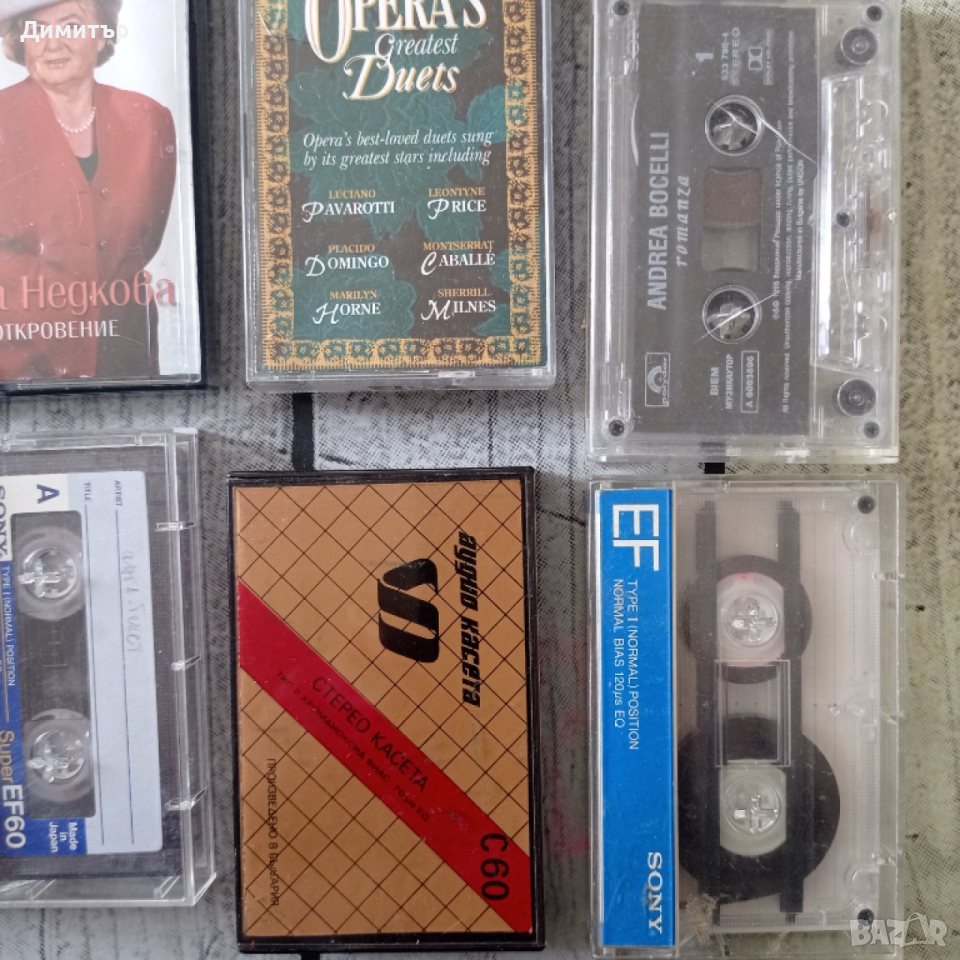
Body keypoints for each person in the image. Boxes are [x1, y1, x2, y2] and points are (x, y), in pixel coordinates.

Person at [0, 0, 177, 382]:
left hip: (122, 355)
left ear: (102, 35)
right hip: (17, 362)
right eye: (36, 29)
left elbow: (144, 243)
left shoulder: (149, 119)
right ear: (20, 40)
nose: (52, 43)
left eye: (70, 25)